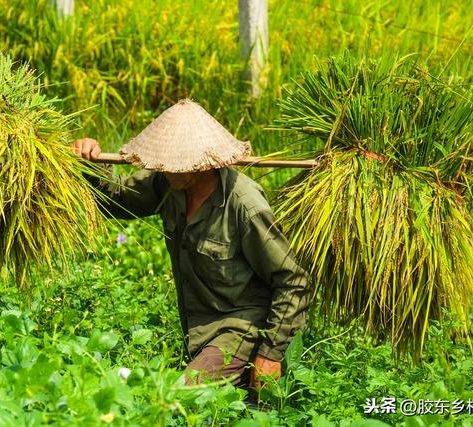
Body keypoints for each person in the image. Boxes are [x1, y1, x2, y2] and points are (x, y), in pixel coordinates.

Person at [73, 99, 310, 389]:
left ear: (202, 163)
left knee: (181, 395)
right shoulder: (167, 182)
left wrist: (270, 354)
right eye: (165, 162)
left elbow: (292, 279)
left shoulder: (244, 205)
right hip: (198, 327)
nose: (168, 169)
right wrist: (89, 163)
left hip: (242, 326)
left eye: (177, 164)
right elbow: (117, 201)